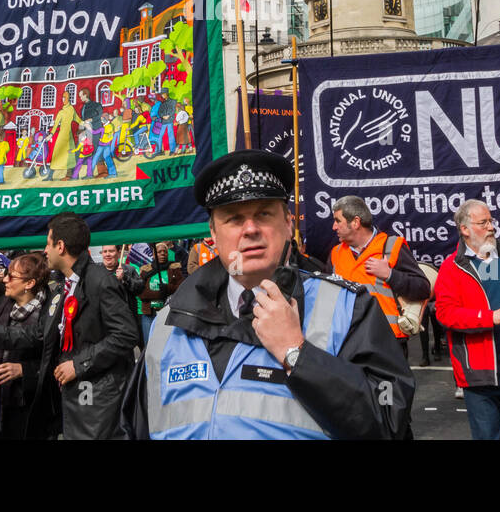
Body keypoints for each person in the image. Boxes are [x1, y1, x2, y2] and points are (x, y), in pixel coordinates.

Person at [120, 149, 416, 439]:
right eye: (234, 218)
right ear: (212, 233)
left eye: (263, 214)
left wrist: (297, 354)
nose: (250, 229)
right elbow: (136, 426)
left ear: (288, 224)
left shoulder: (348, 308)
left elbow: (389, 422)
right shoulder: (168, 322)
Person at [0, 212, 138, 440]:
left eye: (48, 244)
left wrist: (78, 365)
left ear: (60, 246)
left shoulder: (99, 281)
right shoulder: (63, 287)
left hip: (97, 396)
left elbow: (126, 335)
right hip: (75, 394)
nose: (44, 250)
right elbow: (40, 333)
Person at [434, 200, 500, 439]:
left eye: (491, 221)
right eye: (483, 223)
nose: (491, 227)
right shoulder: (453, 268)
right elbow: (445, 313)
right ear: (464, 229)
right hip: (478, 368)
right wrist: (488, 317)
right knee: (486, 435)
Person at [0, 252, 61, 440]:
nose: (5, 279)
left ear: (29, 284)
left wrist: (25, 370)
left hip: (27, 405)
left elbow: (56, 360)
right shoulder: (3, 302)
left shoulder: (50, 311)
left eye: (11, 276)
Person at [328, 195, 430, 347]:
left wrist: (390, 275)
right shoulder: (335, 254)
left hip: (388, 343)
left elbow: (423, 289)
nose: (334, 227)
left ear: (356, 222)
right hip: (348, 341)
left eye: (338, 221)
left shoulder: (392, 247)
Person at [123, 241, 185, 342]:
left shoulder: (174, 268)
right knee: (149, 343)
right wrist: (158, 294)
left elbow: (181, 286)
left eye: (164, 251)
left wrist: (167, 288)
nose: (162, 254)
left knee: (167, 343)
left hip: (168, 312)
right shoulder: (146, 270)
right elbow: (141, 292)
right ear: (154, 254)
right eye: (159, 252)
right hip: (149, 314)